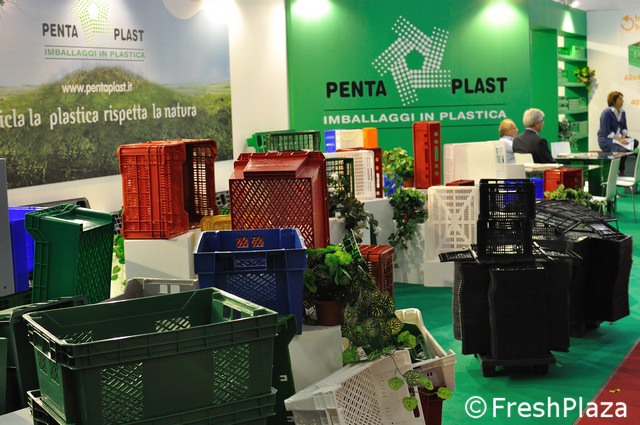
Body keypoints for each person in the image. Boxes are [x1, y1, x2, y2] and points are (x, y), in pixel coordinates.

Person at [597, 91, 638, 175]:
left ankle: (620, 168)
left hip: (619, 138)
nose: (622, 101)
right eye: (620, 99)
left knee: (635, 142)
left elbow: (624, 128)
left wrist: (623, 138)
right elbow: (606, 132)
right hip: (606, 139)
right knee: (623, 149)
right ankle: (619, 169)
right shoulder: (606, 113)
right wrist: (620, 140)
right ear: (613, 101)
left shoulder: (622, 112)